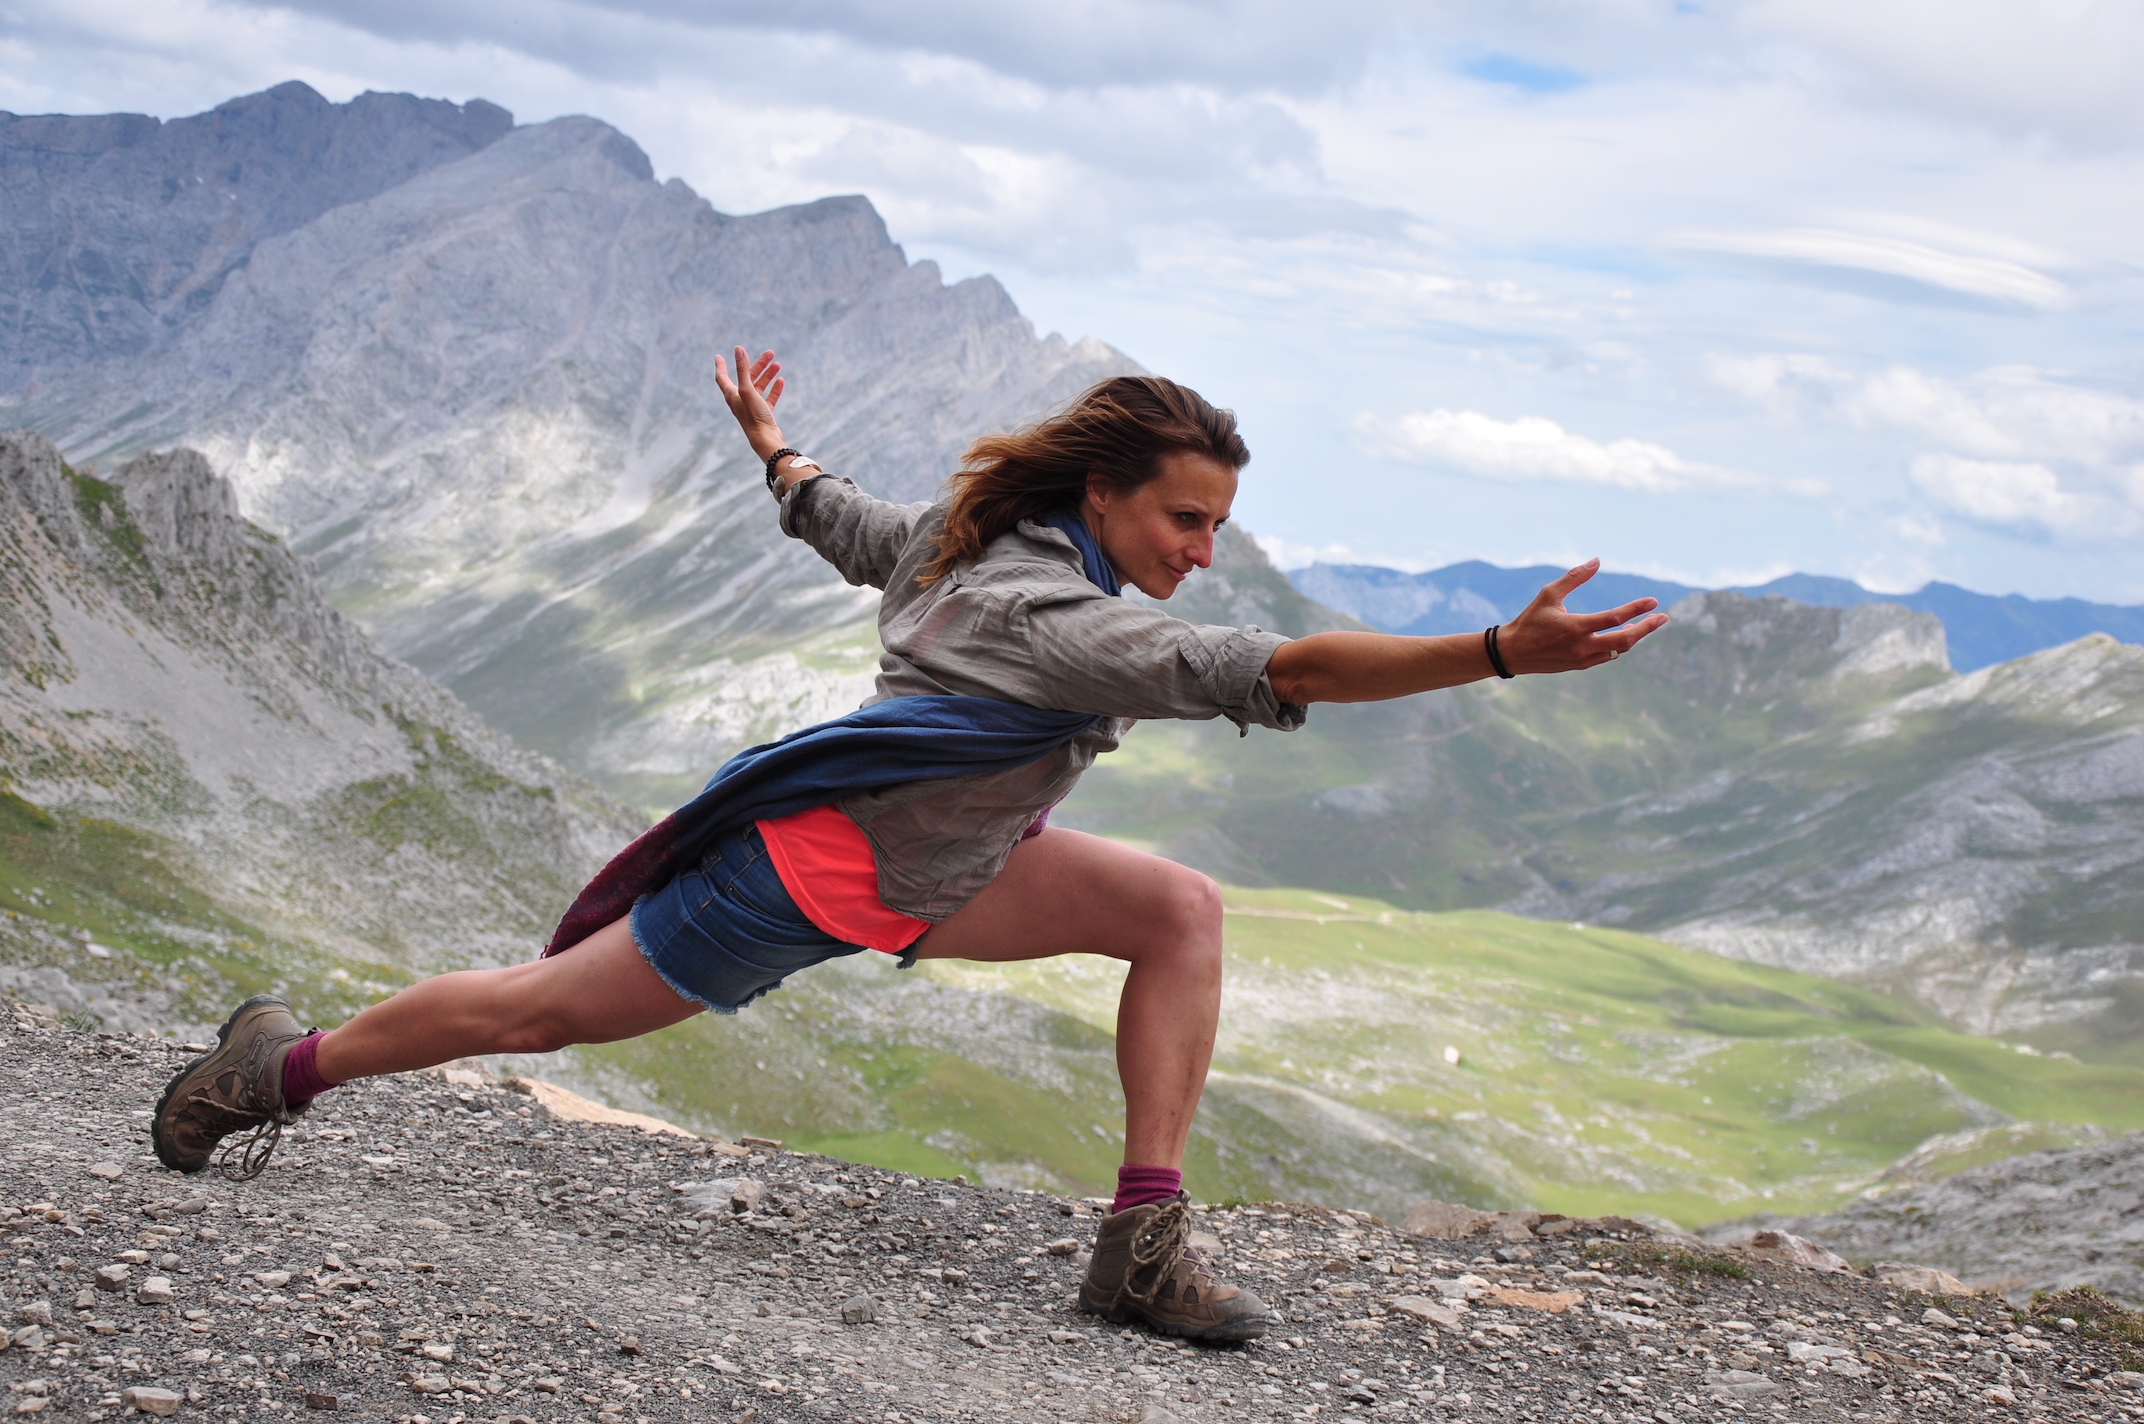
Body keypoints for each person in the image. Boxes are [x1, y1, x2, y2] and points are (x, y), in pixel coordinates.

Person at [154, 348, 1667, 1341]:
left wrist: (776, 447)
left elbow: (844, 522)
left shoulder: (973, 540)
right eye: (1184, 522)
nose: (1200, 553)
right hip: (805, 881)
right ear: (1102, 495)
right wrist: (1493, 651)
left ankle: (1141, 1245)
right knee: (535, 1015)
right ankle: (272, 1068)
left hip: (948, 870)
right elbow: (1279, 669)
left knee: (1178, 911)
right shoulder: (1055, 617)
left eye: (1214, 527)